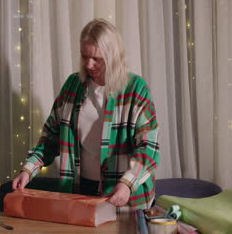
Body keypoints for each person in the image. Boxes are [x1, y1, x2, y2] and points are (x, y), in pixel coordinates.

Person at [12, 18, 159, 210]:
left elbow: (148, 149)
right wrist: (28, 170)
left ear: (113, 56)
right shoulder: (73, 85)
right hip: (80, 191)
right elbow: (50, 138)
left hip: (126, 193)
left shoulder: (136, 89)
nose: (89, 65)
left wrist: (127, 183)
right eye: (84, 56)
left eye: (97, 59)